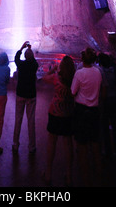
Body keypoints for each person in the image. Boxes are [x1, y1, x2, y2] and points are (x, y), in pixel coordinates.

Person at [71, 47, 103, 186]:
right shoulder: (98, 72)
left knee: (82, 144)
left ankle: (84, 176)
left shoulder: (79, 73)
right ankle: (99, 172)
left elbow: (73, 91)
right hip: (95, 111)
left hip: (82, 111)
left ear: (83, 59)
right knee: (95, 142)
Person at [43, 55, 76, 186]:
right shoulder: (74, 79)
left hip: (55, 112)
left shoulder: (56, 78)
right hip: (68, 113)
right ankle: (69, 175)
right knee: (68, 144)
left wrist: (53, 69)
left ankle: (48, 173)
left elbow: (44, 78)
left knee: (52, 142)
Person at [12, 41, 39, 154]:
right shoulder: (34, 65)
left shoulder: (21, 65)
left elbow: (16, 58)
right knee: (31, 121)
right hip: (31, 95)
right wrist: (29, 50)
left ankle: (15, 144)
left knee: (18, 119)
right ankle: (32, 146)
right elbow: (34, 61)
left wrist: (22, 48)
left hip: (20, 94)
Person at [98, 53, 116, 158]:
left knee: (104, 126)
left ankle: (107, 151)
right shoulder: (114, 70)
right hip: (114, 99)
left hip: (105, 101)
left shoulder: (99, 72)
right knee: (115, 125)